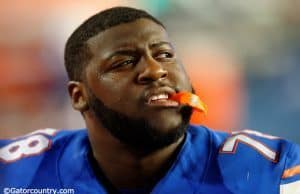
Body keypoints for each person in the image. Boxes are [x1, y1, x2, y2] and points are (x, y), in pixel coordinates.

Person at [0, 6, 299, 194]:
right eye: (123, 62)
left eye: (165, 55)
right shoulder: (16, 172)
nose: (156, 70)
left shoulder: (271, 172)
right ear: (79, 96)